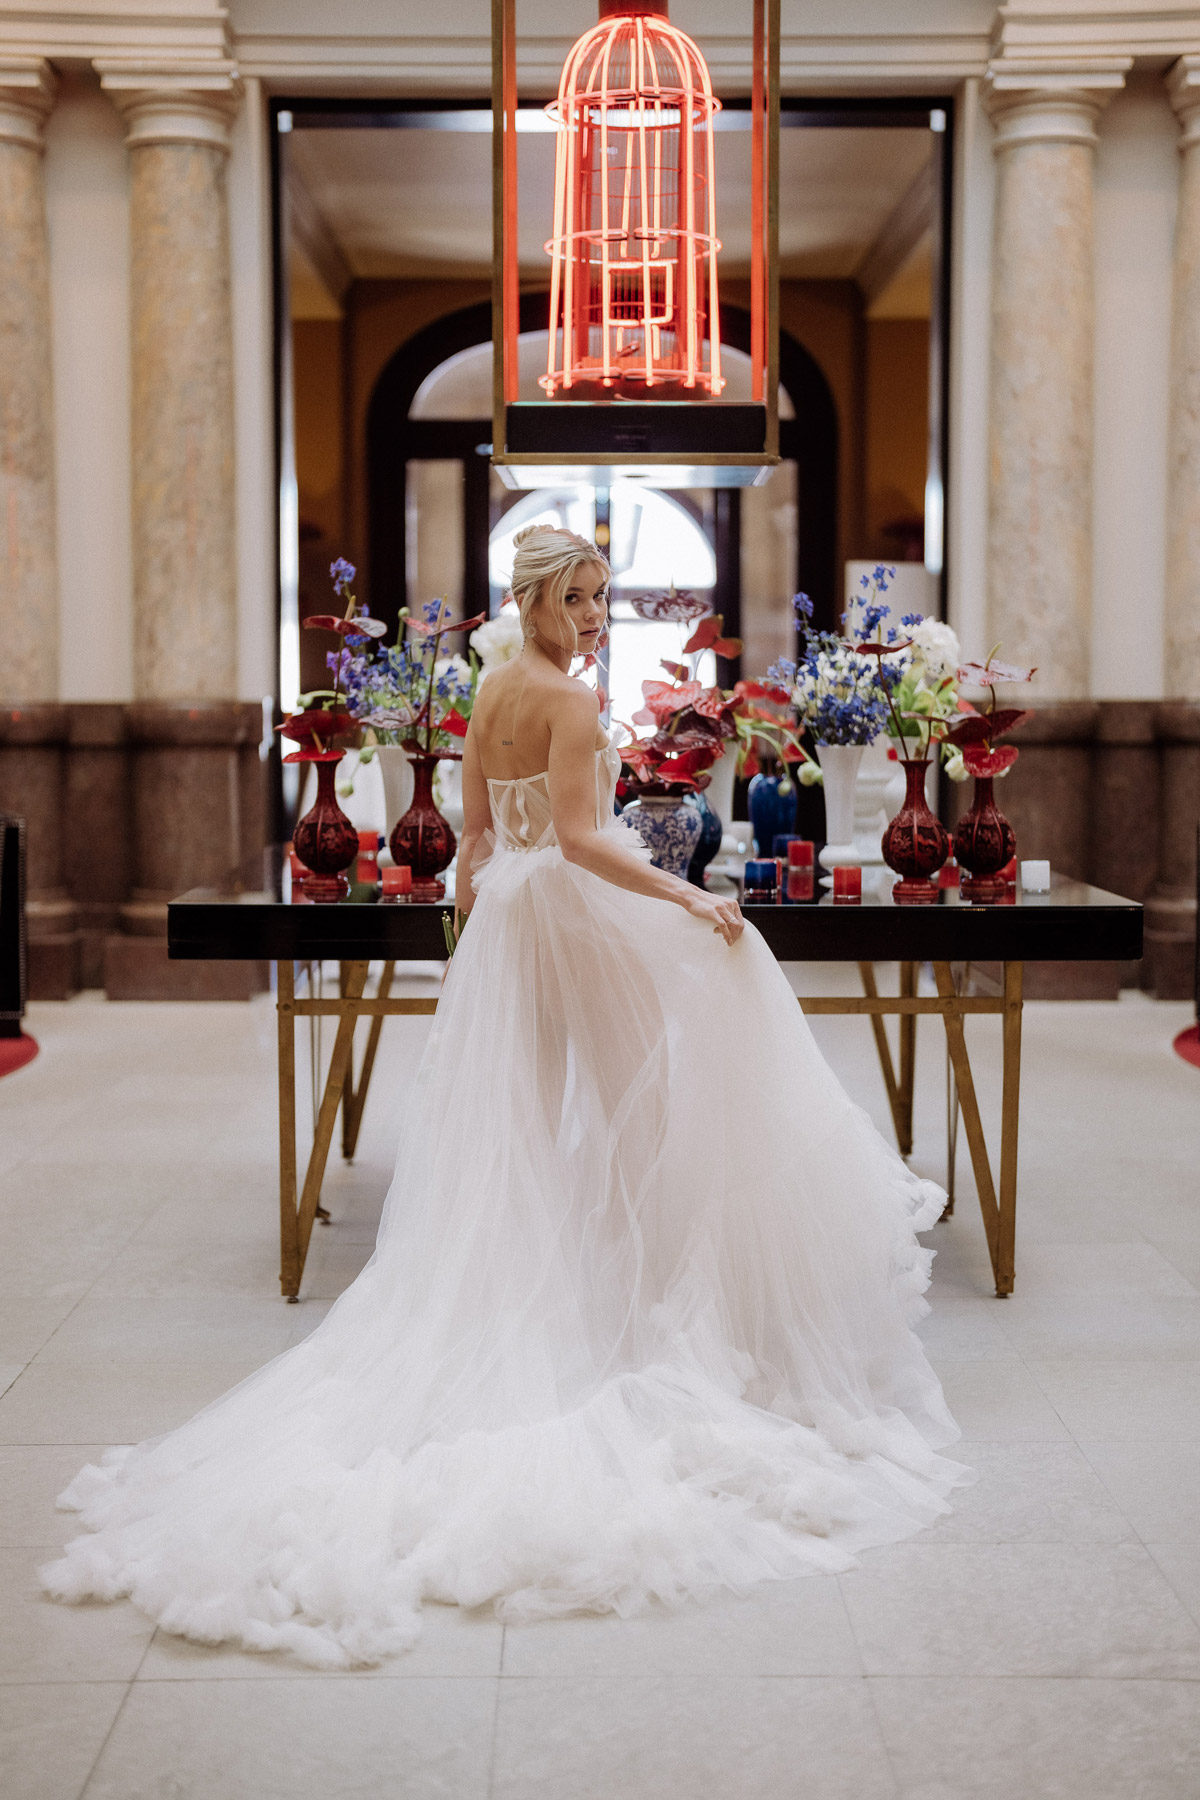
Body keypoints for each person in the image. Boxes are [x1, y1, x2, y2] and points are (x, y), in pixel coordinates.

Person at [42, 525, 969, 1669]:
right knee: (655, 1083)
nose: (591, 619)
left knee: (526, 1127)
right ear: (529, 597)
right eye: (575, 600)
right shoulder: (571, 708)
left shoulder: (488, 691)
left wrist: (482, 942)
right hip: (564, 917)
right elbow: (581, 841)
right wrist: (685, 902)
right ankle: (643, 1306)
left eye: (601, 599)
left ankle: (586, 1291)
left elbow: (478, 845)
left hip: (506, 928)